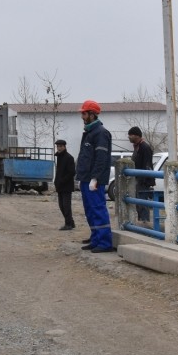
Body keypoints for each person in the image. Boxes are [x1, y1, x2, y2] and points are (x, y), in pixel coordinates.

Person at [75, 99, 114, 252]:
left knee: (97, 209)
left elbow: (101, 158)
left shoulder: (101, 133)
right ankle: (96, 238)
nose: (82, 116)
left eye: (84, 113)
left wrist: (95, 178)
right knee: (90, 210)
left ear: (92, 114)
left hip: (94, 180)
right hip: (86, 178)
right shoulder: (90, 132)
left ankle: (104, 242)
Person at [127, 126, 154, 221]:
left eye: (130, 135)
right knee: (139, 202)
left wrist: (143, 180)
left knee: (142, 202)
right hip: (138, 179)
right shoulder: (137, 147)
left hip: (143, 181)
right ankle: (141, 220)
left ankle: (145, 221)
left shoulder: (144, 147)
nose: (129, 137)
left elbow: (147, 165)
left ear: (137, 136)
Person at [53, 139, 75, 230]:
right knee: (61, 206)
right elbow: (59, 172)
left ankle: (68, 224)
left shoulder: (69, 157)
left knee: (66, 206)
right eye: (58, 146)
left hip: (67, 186)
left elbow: (72, 172)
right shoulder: (59, 157)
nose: (59, 148)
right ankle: (71, 222)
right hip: (60, 186)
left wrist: (62, 181)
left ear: (64, 147)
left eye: (60, 146)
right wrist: (56, 182)